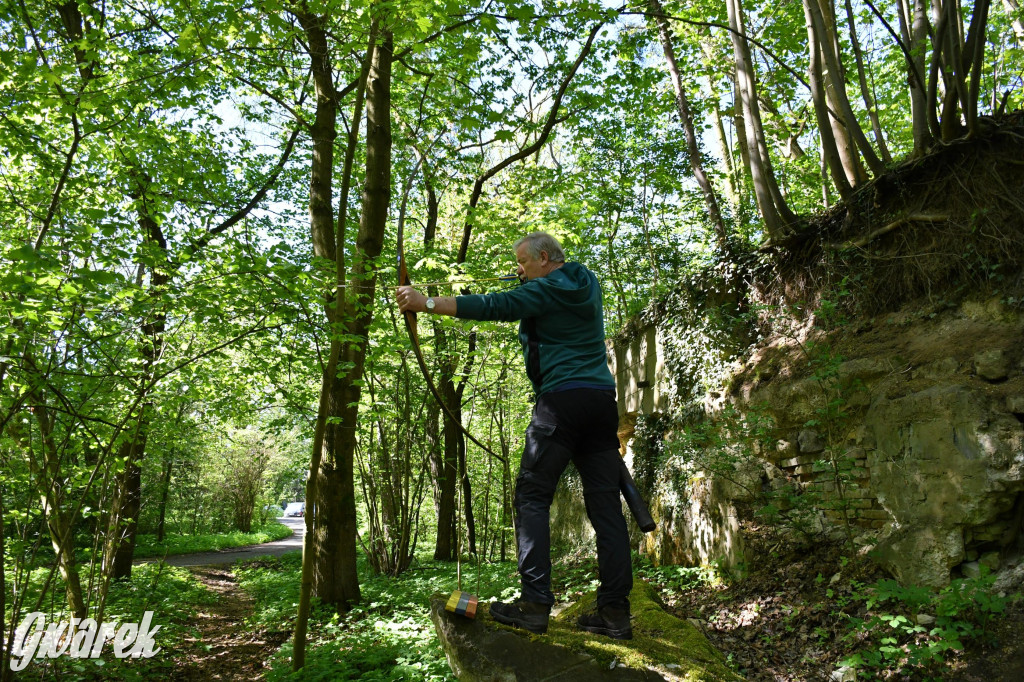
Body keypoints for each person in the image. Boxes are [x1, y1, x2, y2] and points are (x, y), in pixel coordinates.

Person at [396, 231, 633, 640]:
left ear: (544, 257)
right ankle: (614, 614)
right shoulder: (584, 281)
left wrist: (426, 303)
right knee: (606, 508)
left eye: (523, 263)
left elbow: (496, 305)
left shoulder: (547, 288)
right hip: (600, 403)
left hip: (561, 403)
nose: (519, 271)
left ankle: (535, 605)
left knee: (531, 497)